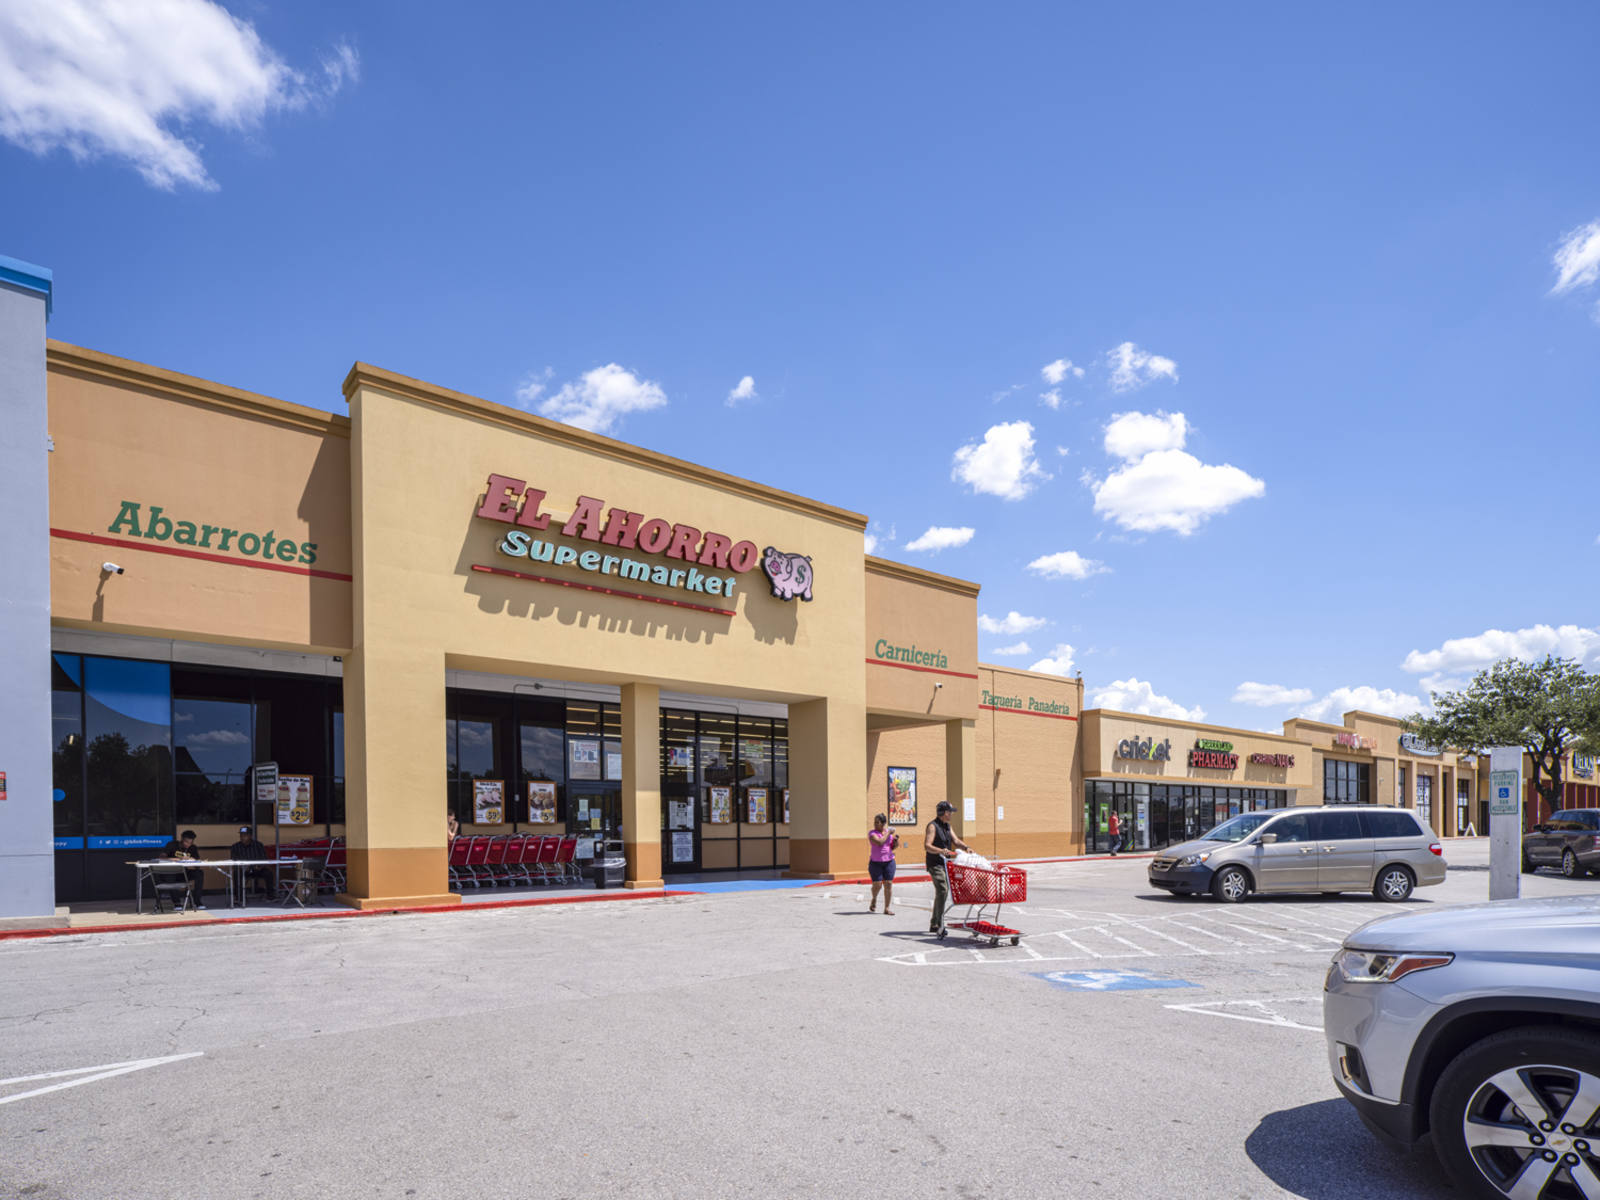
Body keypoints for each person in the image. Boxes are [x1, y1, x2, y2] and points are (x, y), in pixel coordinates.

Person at [923, 800, 970, 934]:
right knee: (943, 889)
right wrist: (941, 850)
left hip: (946, 863)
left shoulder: (948, 826)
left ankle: (934, 923)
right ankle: (938, 923)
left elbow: (956, 841)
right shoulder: (932, 826)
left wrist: (966, 847)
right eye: (950, 812)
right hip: (935, 864)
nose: (951, 814)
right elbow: (927, 845)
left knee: (942, 891)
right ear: (943, 812)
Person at [161, 829, 207, 910]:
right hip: (171, 872)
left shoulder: (193, 848)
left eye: (190, 842)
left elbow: (197, 862)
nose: (188, 844)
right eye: (186, 842)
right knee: (170, 877)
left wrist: (191, 859)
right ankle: (177, 903)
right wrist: (177, 859)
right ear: (182, 839)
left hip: (184, 873)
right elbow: (162, 857)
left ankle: (197, 901)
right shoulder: (172, 845)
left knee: (199, 873)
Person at [229, 825, 273, 900]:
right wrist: (242, 867)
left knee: (268, 873)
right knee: (236, 873)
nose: (242, 837)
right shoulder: (235, 847)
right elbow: (234, 861)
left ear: (250, 836)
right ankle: (239, 897)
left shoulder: (258, 845)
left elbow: (264, 858)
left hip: (257, 869)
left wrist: (260, 866)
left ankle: (270, 895)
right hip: (243, 870)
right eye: (241, 835)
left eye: (245, 835)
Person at [867, 813, 899, 915]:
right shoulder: (872, 834)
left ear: (883, 823)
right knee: (877, 885)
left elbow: (892, 847)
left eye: (877, 822)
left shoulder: (887, 833)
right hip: (875, 863)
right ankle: (874, 898)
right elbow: (880, 842)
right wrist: (889, 832)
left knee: (888, 883)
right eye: (875, 822)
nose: (875, 824)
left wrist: (895, 842)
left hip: (889, 861)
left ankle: (887, 908)